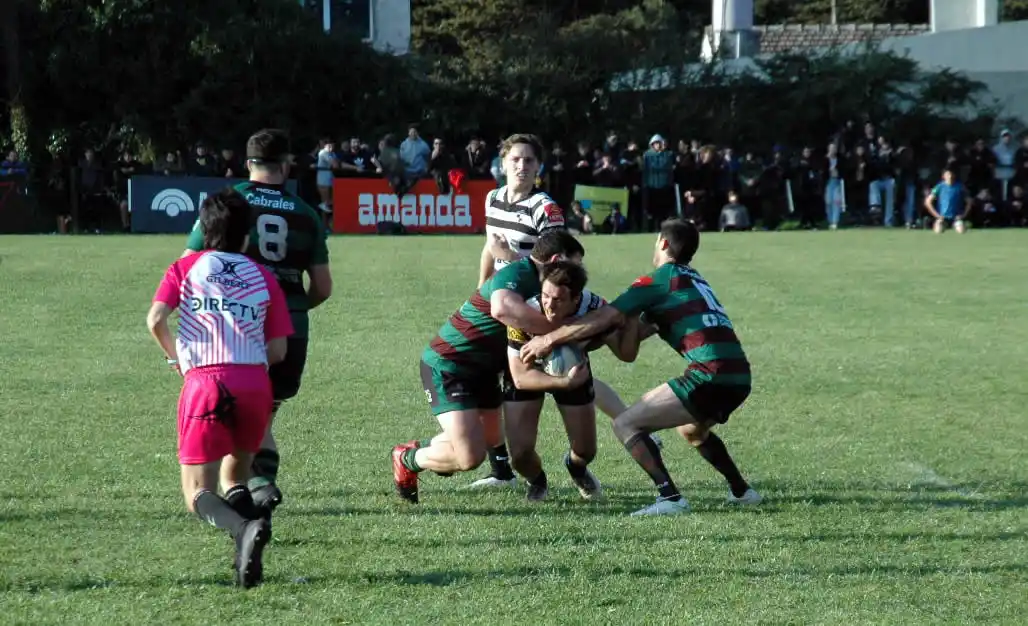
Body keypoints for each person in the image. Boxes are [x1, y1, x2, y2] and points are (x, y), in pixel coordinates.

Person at [519, 218, 761, 516]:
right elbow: (626, 340)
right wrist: (586, 340)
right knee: (692, 431)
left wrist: (549, 340)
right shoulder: (693, 280)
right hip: (738, 376)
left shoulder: (659, 280)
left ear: (662, 242)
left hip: (710, 373)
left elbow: (605, 317)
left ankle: (670, 497)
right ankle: (742, 491)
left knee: (626, 423)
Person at [182, 129, 332, 521]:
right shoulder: (307, 213)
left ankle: (253, 491)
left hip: (231, 328)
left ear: (247, 163)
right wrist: (291, 310)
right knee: (261, 414)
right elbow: (323, 287)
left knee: (235, 416)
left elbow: (190, 264)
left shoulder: (229, 203)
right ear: (286, 165)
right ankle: (256, 489)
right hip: (290, 328)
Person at [148, 189, 294, 587]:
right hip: (254, 382)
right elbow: (278, 350)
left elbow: (155, 319)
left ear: (203, 228)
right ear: (246, 236)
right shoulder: (264, 275)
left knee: (197, 493)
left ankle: (244, 529)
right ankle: (252, 534)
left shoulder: (186, 267)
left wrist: (177, 357)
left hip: (205, 381)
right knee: (236, 477)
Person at [391, 230, 587, 504]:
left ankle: (473, 457)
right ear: (555, 260)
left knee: (489, 437)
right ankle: (407, 457)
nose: (578, 273)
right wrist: (556, 335)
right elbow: (501, 309)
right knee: (469, 457)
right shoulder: (520, 274)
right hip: (450, 365)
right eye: (574, 265)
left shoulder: (546, 285)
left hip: (485, 369)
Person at [504, 260, 646, 502]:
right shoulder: (525, 312)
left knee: (586, 450)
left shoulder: (593, 308)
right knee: (519, 455)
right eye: (545, 295)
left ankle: (576, 468)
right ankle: (537, 480)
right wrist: (564, 384)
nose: (548, 304)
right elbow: (520, 378)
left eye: (558, 299)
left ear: (576, 298)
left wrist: (631, 319)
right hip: (529, 372)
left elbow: (625, 353)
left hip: (574, 369)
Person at [472, 133, 567, 490]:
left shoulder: (546, 208)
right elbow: (488, 248)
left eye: (529, 160)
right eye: (515, 159)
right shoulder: (493, 198)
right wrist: (480, 291)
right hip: (497, 305)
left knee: (567, 376)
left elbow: (559, 267)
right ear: (502, 163)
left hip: (531, 311)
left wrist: (513, 259)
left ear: (539, 167)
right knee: (487, 382)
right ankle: (501, 471)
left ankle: (620, 427)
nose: (522, 166)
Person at [925, 166, 971, 234]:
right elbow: (927, 202)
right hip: (942, 218)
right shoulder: (939, 187)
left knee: (961, 231)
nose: (949, 176)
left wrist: (963, 215)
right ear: (943, 176)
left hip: (956, 217)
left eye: (951, 174)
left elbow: (969, 201)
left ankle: (962, 224)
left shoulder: (960, 186)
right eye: (947, 174)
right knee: (938, 231)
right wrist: (937, 215)